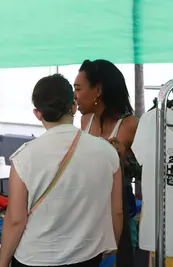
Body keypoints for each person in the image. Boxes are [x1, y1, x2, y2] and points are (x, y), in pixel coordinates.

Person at [0, 74, 123, 267]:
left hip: (35, 258)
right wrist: (110, 249)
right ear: (74, 106)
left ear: (38, 113)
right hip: (88, 256)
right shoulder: (107, 152)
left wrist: (3, 261)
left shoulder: (24, 157)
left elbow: (16, 220)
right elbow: (116, 212)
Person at [74, 59, 140, 266]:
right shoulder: (85, 120)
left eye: (78, 88)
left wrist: (126, 158)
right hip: (84, 213)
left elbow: (147, 173)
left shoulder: (130, 124)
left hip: (116, 215)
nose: (74, 96)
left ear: (98, 90)